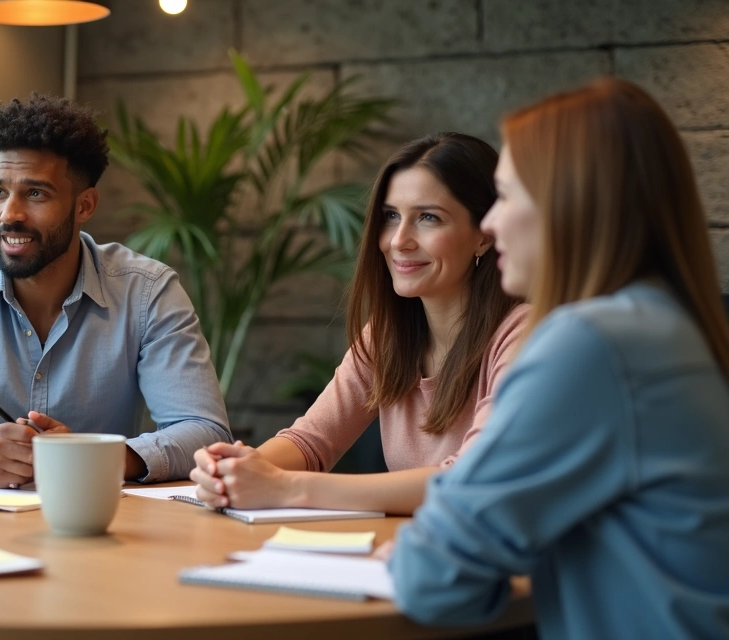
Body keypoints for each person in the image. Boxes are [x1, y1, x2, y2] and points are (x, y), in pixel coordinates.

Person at [387, 79, 729, 638]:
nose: (490, 224)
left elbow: (433, 578)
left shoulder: (592, 345)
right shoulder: (665, 326)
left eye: (506, 196)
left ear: (571, 204)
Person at [0, 93, 232, 487]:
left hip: (97, 515)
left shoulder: (147, 292)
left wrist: (89, 457)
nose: (10, 215)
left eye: (36, 194)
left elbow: (204, 432)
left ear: (84, 206)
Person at [190, 133, 528, 515]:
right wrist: (234, 470)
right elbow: (310, 441)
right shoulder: (388, 335)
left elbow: (469, 479)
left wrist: (286, 487)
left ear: (484, 235)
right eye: (391, 216)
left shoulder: (523, 336)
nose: (399, 240)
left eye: (428, 218)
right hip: (415, 544)